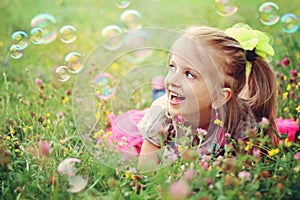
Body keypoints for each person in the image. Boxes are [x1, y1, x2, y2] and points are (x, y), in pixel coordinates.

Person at [137, 23, 278, 169]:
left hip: (181, 99)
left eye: (189, 74)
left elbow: (246, 172)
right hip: (171, 101)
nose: (173, 80)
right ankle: (157, 91)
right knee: (161, 98)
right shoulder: (161, 116)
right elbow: (145, 172)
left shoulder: (240, 119)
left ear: (219, 97)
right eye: (172, 67)